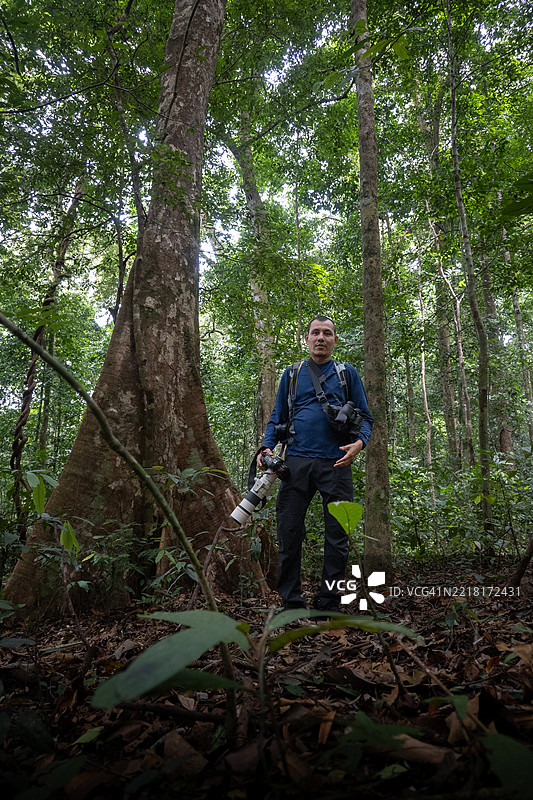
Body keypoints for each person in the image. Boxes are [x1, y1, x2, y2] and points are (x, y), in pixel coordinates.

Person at [259, 316, 373, 612]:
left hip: (336, 464)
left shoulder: (347, 373)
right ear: (306, 339)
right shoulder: (293, 373)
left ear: (335, 340)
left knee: (337, 536)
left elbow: (367, 417)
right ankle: (291, 602)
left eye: (327, 333)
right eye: (315, 333)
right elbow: (277, 415)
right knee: (289, 531)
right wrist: (266, 447)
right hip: (294, 462)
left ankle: (328, 603)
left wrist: (359, 444)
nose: (320, 338)